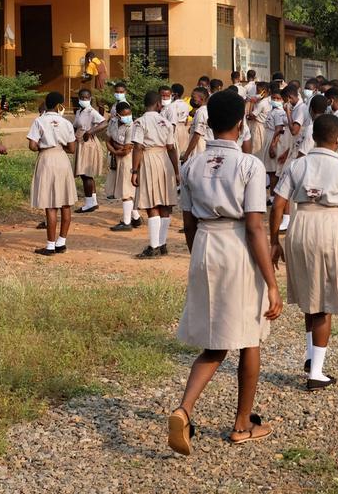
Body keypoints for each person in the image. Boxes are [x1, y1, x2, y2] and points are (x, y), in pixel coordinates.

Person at [168, 90, 283, 454]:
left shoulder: (192, 166)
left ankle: (184, 410)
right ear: (241, 124)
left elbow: (187, 224)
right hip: (236, 246)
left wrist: (199, 258)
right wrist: (273, 283)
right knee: (249, 336)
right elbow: (254, 227)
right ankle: (242, 423)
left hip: (204, 244)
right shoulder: (248, 165)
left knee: (215, 340)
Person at [269, 114, 338, 392]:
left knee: (310, 295)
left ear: (313, 137)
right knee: (324, 302)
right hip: (331, 226)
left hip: (300, 226)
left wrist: (275, 240)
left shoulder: (297, 165)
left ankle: (310, 356)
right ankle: (316, 373)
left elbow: (277, 205)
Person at [129, 89, 181, 259]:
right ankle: (162, 243)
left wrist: (134, 170)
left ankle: (153, 246)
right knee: (165, 204)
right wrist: (176, 171)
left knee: (152, 204)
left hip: (149, 159)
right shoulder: (166, 123)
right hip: (165, 160)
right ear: (159, 104)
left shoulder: (139, 122)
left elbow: (137, 147)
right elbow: (172, 149)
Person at [27, 92, 77, 255]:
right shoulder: (66, 123)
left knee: (51, 204)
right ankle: (61, 241)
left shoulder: (39, 121)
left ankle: (50, 245)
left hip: (47, 159)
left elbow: (32, 146)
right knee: (65, 202)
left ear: (46, 104)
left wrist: (43, 146)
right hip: (62, 158)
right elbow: (72, 148)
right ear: (59, 106)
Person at [105, 101, 142, 231]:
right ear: (118, 115)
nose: (128, 116)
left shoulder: (132, 126)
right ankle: (136, 218)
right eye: (124, 114)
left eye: (129, 114)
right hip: (116, 159)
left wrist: (116, 148)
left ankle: (127, 222)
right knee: (121, 188)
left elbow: (127, 149)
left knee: (126, 190)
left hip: (128, 160)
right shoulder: (113, 122)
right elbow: (107, 141)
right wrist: (116, 149)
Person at [72, 88, 108, 214]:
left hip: (88, 143)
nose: (84, 100)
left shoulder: (91, 112)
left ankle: (88, 203)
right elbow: (76, 126)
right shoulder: (78, 112)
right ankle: (93, 201)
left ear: (90, 98)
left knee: (85, 173)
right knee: (85, 174)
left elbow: (104, 123)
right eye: (82, 98)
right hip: (80, 142)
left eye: (87, 98)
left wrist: (90, 131)